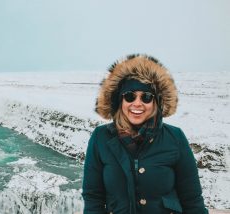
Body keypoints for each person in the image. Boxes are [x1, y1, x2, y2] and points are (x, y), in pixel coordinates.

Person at [82, 54, 208, 214]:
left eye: (146, 97)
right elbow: (93, 198)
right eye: (129, 96)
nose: (137, 103)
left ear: (156, 102)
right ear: (119, 101)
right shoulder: (101, 137)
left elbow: (192, 200)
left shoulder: (175, 138)